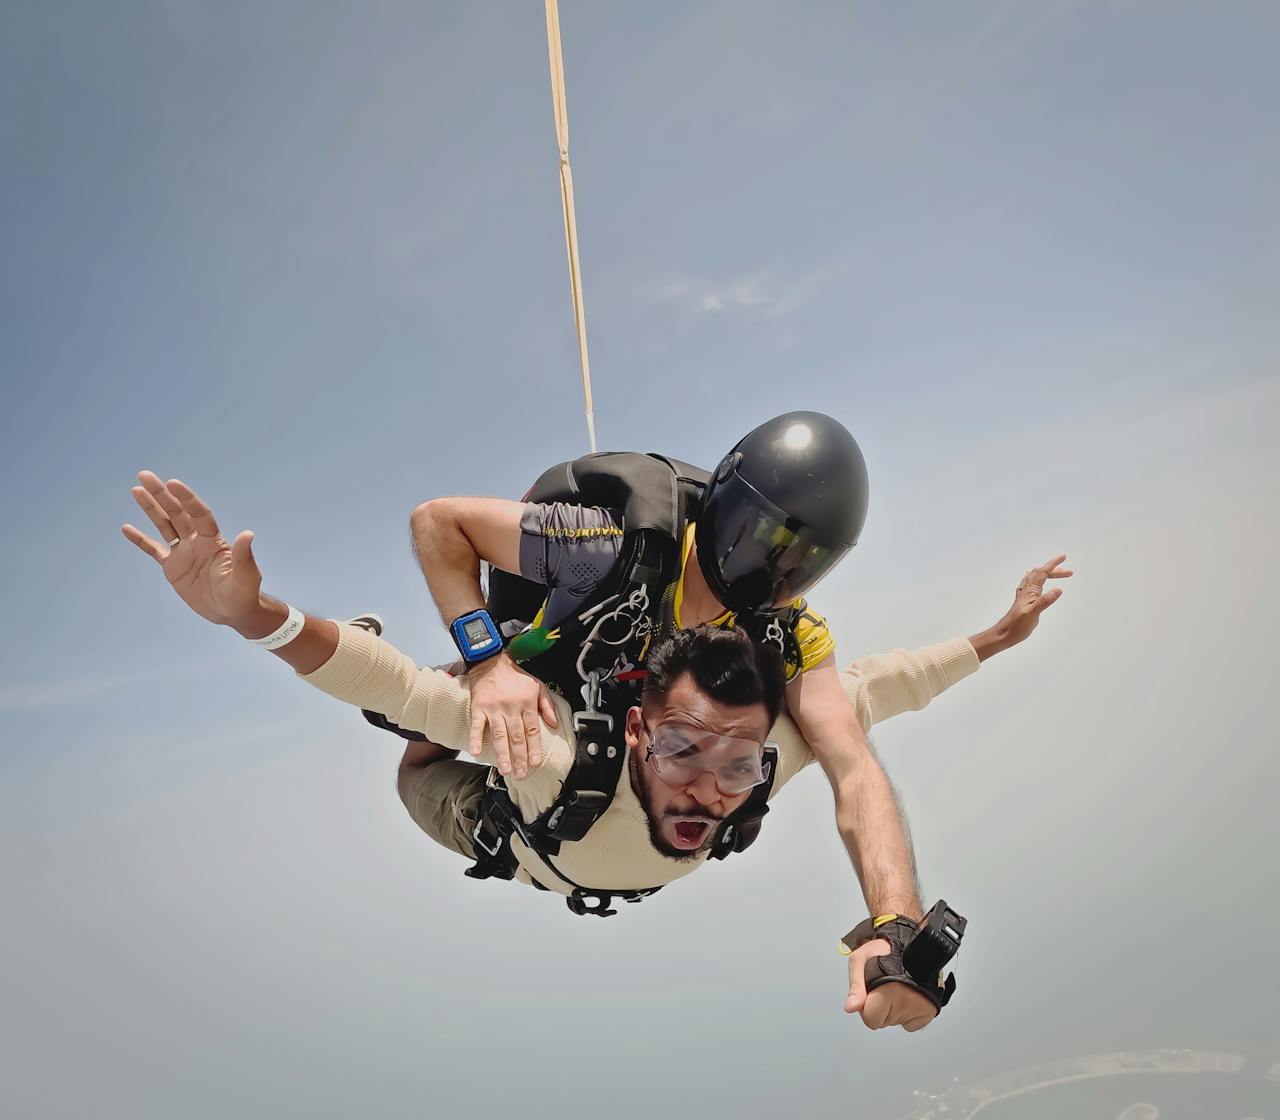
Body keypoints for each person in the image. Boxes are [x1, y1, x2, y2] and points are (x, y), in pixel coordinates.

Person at [122, 470, 1071, 1032]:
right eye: (684, 749)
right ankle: (475, 679)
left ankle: (484, 682)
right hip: (486, 814)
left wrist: (896, 934)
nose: (712, 786)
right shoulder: (556, 744)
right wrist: (251, 614)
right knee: (434, 723)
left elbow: (882, 699)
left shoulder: (762, 743)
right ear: (632, 731)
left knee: (482, 705)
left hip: (570, 789)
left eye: (739, 765)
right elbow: (385, 679)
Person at [397, 412, 1070, 944]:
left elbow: (857, 765)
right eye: (764, 541)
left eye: (806, 563)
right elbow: (439, 522)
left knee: (828, 717)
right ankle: (453, 692)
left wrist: (896, 924)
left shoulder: (787, 630)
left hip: (625, 764)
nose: (774, 575)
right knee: (423, 763)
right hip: (537, 740)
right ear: (720, 508)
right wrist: (487, 662)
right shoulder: (601, 551)